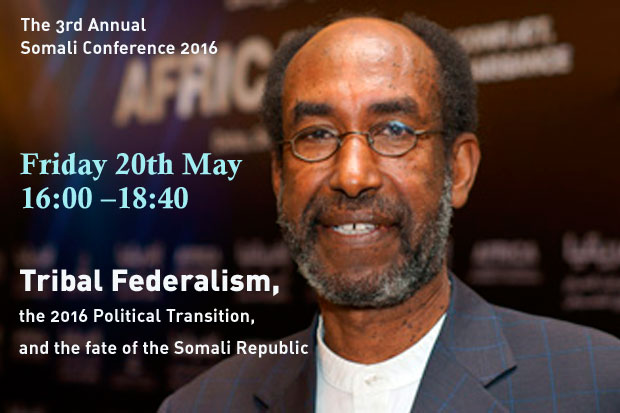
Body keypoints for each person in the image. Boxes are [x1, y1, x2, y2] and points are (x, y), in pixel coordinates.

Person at [159, 14, 620, 412]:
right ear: (280, 178)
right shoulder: (202, 405)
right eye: (317, 134)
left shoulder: (598, 384)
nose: (352, 175)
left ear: (458, 170)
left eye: (394, 130)